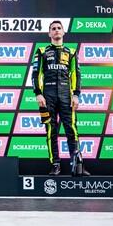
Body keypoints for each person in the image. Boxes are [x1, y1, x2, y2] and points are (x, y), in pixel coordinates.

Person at [32, 20, 89, 176]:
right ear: (49, 33)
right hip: (47, 96)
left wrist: (76, 94)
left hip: (66, 96)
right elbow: (36, 74)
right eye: (53, 28)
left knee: (72, 129)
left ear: (63, 32)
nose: (56, 30)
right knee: (51, 131)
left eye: (59, 28)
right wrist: (38, 93)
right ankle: (55, 164)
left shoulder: (71, 52)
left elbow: (76, 74)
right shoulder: (42, 51)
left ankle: (78, 165)